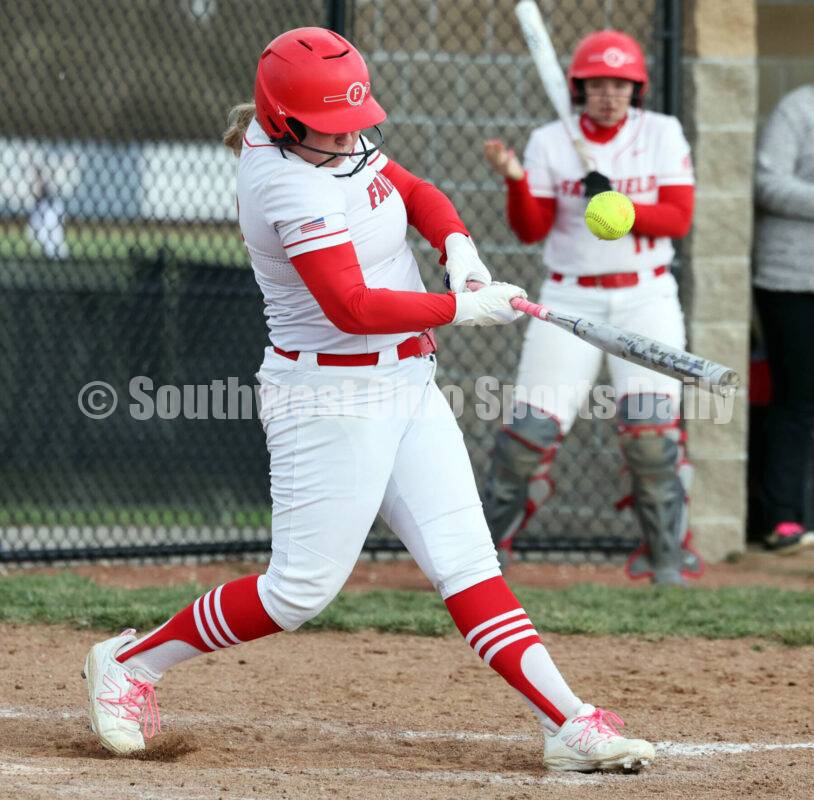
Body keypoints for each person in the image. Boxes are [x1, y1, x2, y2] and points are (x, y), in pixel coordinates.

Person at [81, 27, 656, 772]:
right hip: (329, 394)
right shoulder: (284, 181)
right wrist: (463, 311)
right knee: (298, 592)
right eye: (333, 126)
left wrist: (460, 251)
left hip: (405, 382)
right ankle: (131, 664)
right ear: (285, 122)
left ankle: (568, 723)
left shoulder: (328, 137)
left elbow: (413, 191)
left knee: (469, 563)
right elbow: (350, 305)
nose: (353, 138)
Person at [481, 30, 701, 586]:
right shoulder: (551, 141)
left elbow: (677, 218)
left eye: (620, 84)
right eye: (598, 84)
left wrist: (618, 205)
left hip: (646, 295)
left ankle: (668, 559)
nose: (609, 94)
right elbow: (530, 229)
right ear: (579, 88)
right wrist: (516, 182)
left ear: (636, 89)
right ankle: (483, 558)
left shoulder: (662, 133)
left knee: (651, 436)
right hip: (568, 295)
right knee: (526, 436)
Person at [753, 84, 814, 554]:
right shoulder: (799, 106)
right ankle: (783, 519)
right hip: (792, 279)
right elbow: (766, 183)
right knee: (797, 398)